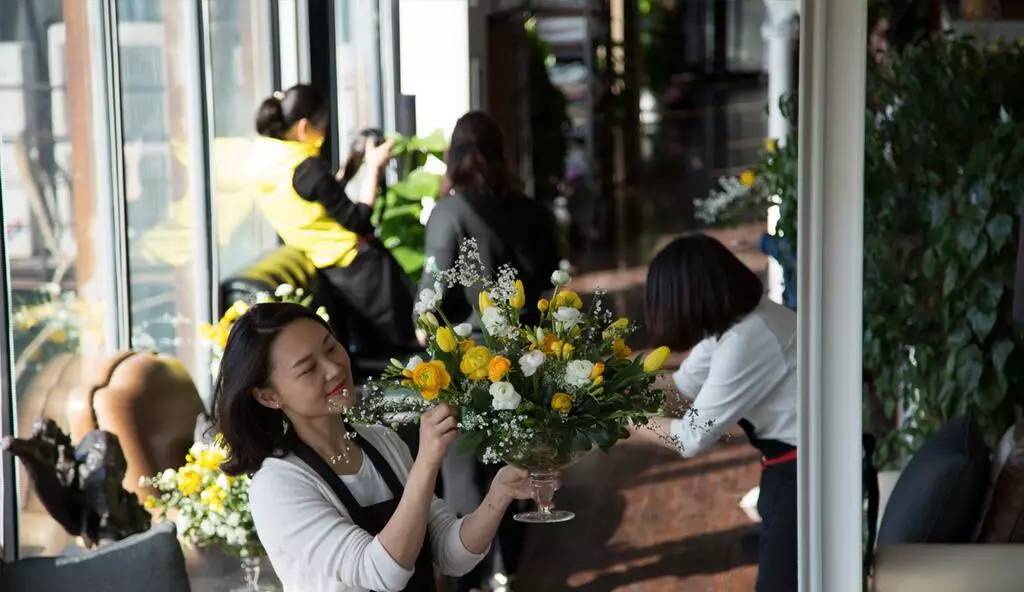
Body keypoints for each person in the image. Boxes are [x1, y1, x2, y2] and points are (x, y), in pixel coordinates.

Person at [214, 302, 530, 592]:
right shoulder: (278, 484)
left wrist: (499, 493)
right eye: (308, 369)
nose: (334, 368)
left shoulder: (382, 441)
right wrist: (427, 462)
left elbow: (451, 555)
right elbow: (381, 573)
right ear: (269, 396)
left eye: (331, 347)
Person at [634, 234, 797, 592]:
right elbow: (679, 388)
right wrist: (612, 385)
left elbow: (690, 438)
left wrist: (624, 422)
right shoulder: (734, 324)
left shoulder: (748, 339)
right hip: (784, 467)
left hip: (802, 473)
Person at [251, 84, 416, 355]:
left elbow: (312, 199)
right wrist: (374, 168)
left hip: (332, 273)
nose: (324, 134)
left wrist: (347, 171)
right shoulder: (308, 168)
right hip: (361, 270)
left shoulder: (267, 159)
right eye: (322, 127)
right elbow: (359, 220)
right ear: (304, 128)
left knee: (374, 351)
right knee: (408, 344)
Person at [419, 111, 561, 337]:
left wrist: (420, 324)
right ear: (501, 153)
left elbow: (434, 291)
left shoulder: (448, 213)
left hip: (469, 352)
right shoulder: (533, 211)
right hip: (530, 347)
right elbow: (549, 280)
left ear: (452, 155)